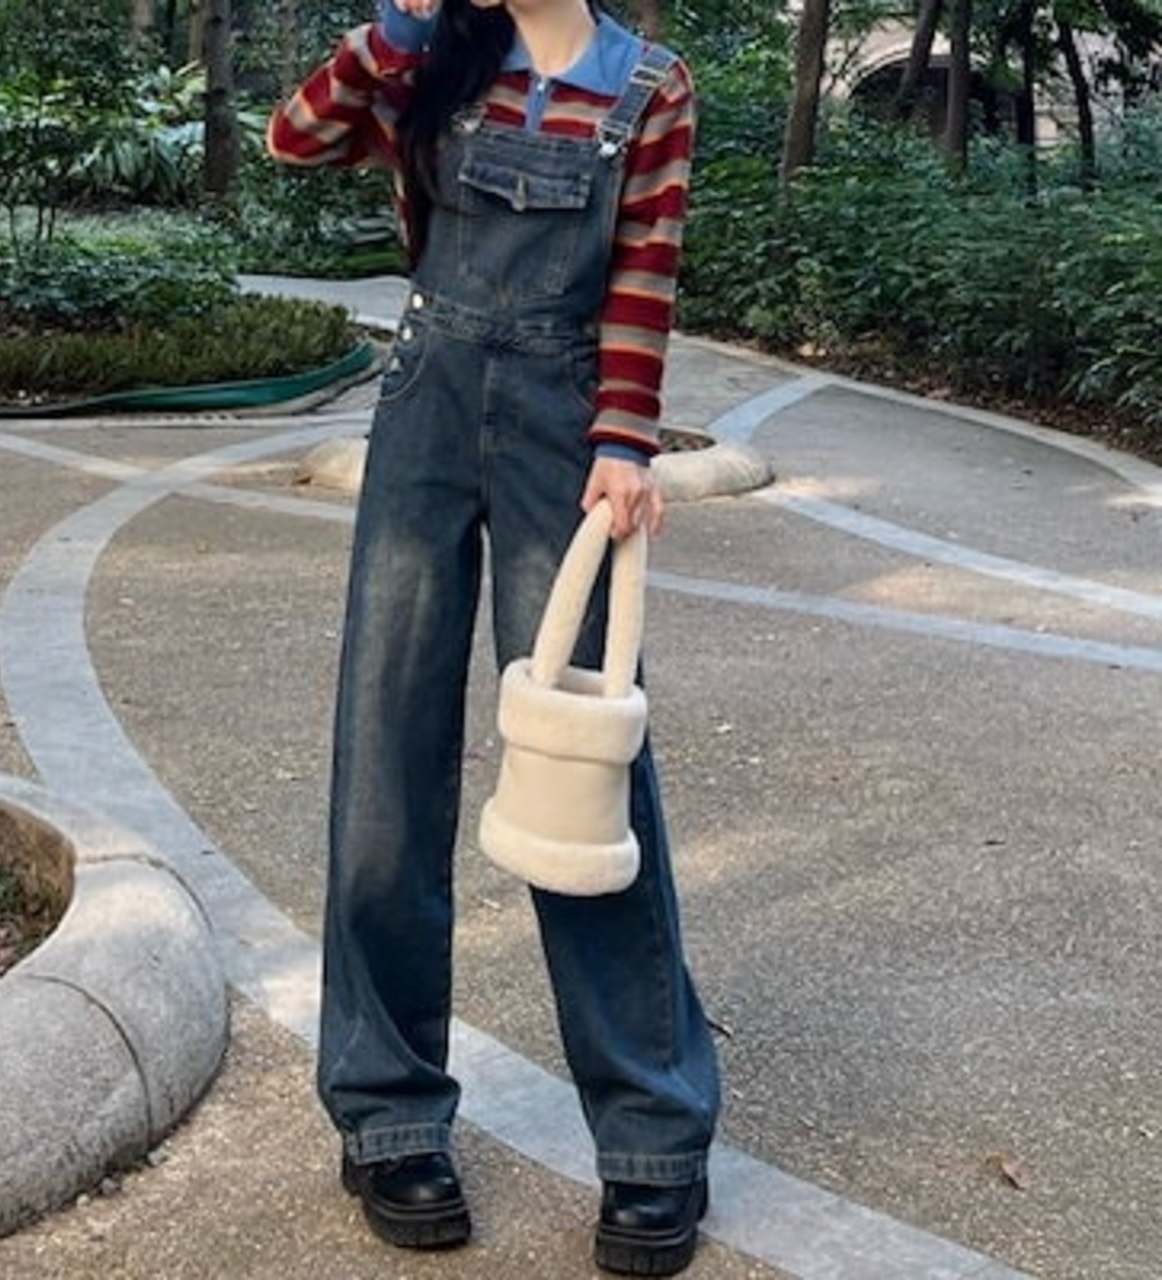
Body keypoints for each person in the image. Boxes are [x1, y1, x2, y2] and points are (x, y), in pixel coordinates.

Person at [267, 1, 720, 1273]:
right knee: (386, 757)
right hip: (425, 401)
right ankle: (388, 1112)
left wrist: (625, 440)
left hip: (565, 428)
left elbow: (644, 271)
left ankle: (651, 1137)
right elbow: (295, 139)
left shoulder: (650, 86)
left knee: (586, 768)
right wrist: (397, 26)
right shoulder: (435, 58)